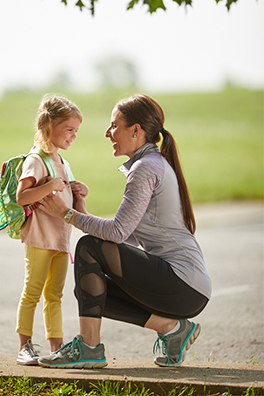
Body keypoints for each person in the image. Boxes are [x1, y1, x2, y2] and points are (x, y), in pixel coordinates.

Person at [36, 94, 212, 369]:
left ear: (136, 130)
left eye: (114, 125)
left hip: (182, 284)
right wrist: (81, 210)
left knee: (88, 247)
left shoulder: (145, 168)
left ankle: (90, 348)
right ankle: (171, 328)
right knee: (91, 291)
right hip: (186, 288)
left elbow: (116, 234)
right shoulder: (153, 164)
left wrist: (66, 214)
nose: (108, 133)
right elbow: (126, 235)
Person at [15, 94, 89, 366]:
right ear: (49, 126)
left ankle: (56, 348)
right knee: (32, 292)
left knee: (54, 296)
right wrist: (50, 186)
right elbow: (22, 197)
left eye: (76, 131)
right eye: (69, 129)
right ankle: (25, 347)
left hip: (60, 241)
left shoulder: (63, 162)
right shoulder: (37, 159)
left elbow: (74, 208)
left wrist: (80, 191)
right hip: (39, 238)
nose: (73, 135)